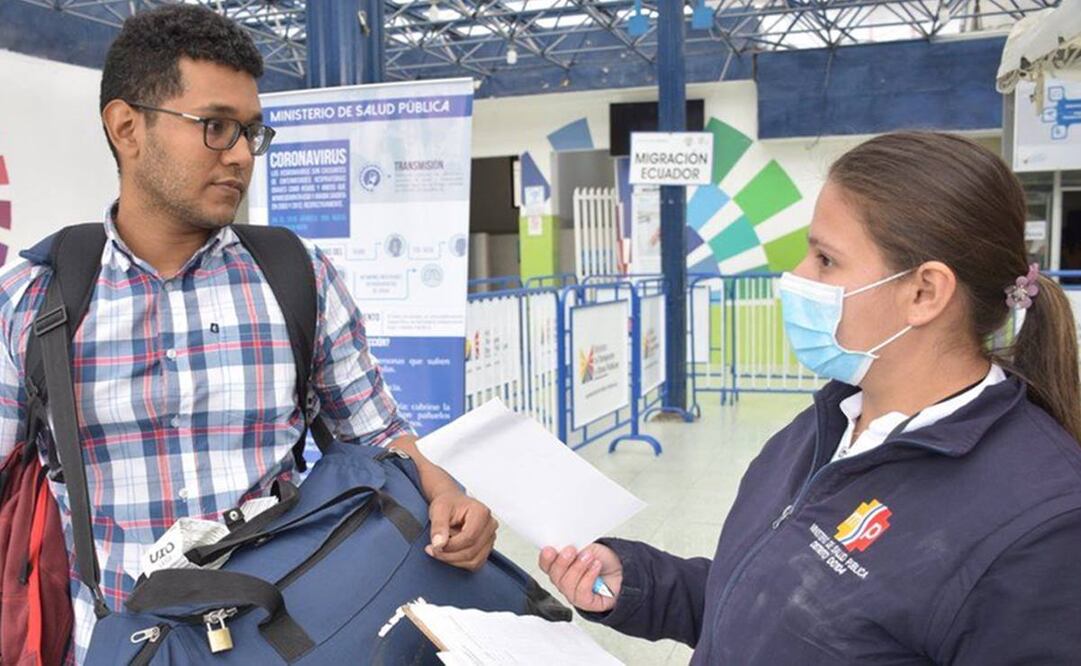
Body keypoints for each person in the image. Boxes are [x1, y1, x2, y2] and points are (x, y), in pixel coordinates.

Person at [0, 6, 496, 663]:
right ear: (127, 127)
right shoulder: (33, 300)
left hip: (282, 635)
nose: (239, 154)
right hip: (114, 643)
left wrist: (448, 495)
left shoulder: (297, 278)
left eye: (250, 133)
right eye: (215, 127)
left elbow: (376, 437)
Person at [540, 132, 1081, 664]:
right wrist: (638, 582)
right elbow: (767, 604)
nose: (795, 276)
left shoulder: (1042, 527)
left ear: (924, 292)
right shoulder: (829, 422)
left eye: (825, 260)